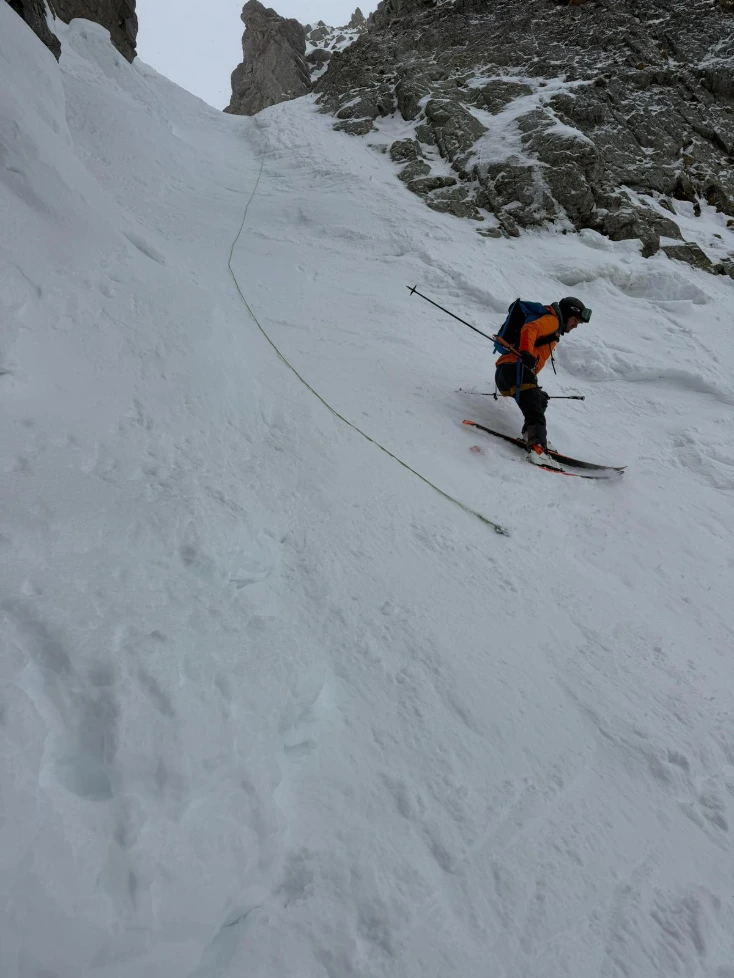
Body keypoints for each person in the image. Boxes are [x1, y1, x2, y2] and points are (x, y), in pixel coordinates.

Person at [495, 296, 591, 466]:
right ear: (568, 315)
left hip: (508, 373)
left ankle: (530, 435)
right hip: (514, 369)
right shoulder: (552, 320)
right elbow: (529, 328)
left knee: (540, 399)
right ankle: (537, 448)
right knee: (535, 413)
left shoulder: (553, 325)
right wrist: (526, 353)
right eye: (575, 320)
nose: (576, 325)